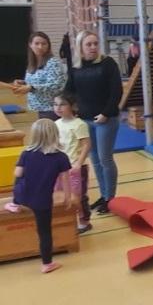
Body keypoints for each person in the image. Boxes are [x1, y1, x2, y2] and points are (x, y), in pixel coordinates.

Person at [64, 31, 123, 214]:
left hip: (106, 119)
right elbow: (69, 91)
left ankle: (110, 198)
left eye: (95, 43)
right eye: (88, 44)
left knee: (105, 158)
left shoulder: (108, 64)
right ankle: (104, 195)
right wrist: (71, 110)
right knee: (95, 159)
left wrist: (106, 113)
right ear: (81, 47)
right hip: (85, 120)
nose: (93, 47)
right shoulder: (76, 67)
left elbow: (116, 91)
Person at [4, 119, 72, 274]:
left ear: (34, 135)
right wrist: (67, 198)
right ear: (55, 135)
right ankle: (47, 264)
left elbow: (18, 174)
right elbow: (65, 181)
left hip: (23, 195)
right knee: (44, 232)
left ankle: (15, 203)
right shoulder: (61, 157)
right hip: (42, 201)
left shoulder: (26, 153)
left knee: (19, 180)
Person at [53, 93, 92, 234]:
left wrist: (78, 163)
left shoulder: (79, 124)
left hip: (75, 167)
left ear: (73, 106)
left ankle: (84, 221)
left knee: (78, 196)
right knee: (60, 194)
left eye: (62, 104)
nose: (58, 108)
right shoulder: (56, 124)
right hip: (60, 167)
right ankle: (66, 221)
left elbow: (86, 145)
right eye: (55, 104)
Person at [12, 32, 66, 119]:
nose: (40, 47)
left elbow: (57, 86)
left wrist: (31, 88)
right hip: (34, 109)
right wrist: (23, 83)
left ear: (48, 46)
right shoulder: (32, 63)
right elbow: (36, 81)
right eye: (37, 43)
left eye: (44, 44)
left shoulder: (53, 63)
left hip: (50, 110)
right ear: (30, 45)